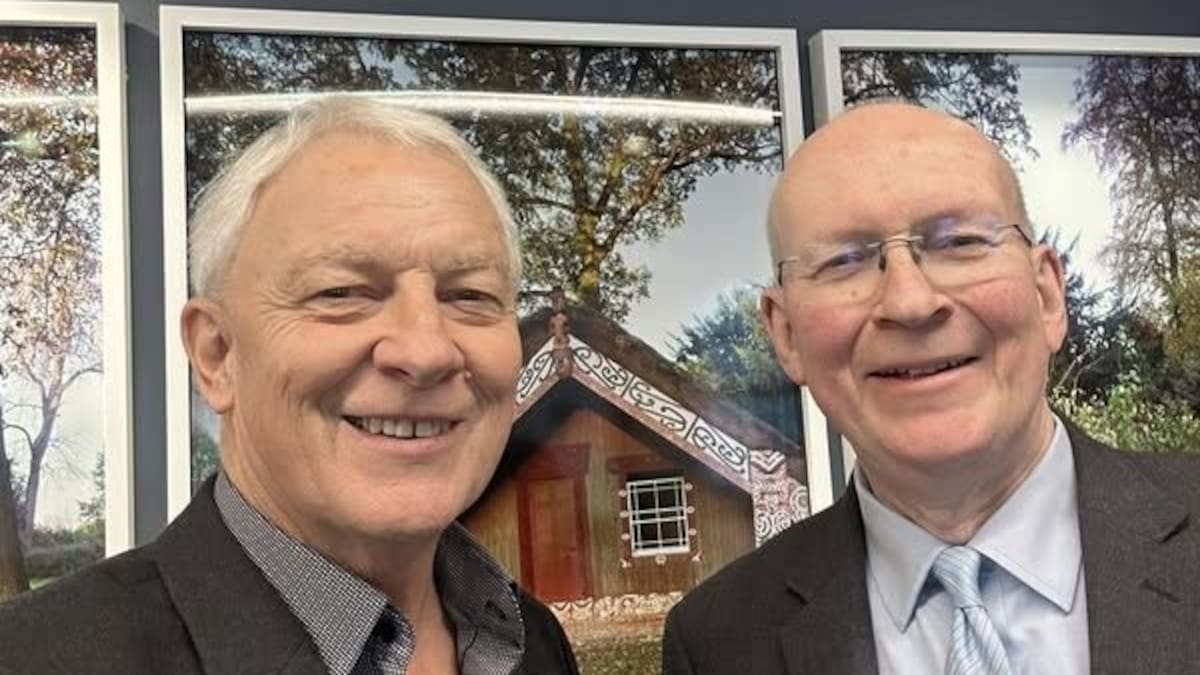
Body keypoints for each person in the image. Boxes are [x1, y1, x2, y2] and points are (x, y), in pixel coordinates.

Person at [0, 97, 580, 675]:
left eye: (469, 296)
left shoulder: (530, 642)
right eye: (341, 293)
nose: (425, 350)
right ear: (217, 355)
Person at [662, 102, 1200, 674]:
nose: (911, 303)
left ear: (1047, 295)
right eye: (845, 261)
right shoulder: (717, 643)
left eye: (958, 243)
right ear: (787, 333)